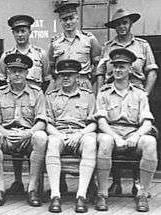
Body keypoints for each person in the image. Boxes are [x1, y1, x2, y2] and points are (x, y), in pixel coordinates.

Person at [96, 8, 159, 195]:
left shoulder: (142, 45)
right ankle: (115, 181)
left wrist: (145, 94)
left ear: (131, 24)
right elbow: (100, 72)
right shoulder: (108, 46)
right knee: (111, 133)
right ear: (114, 27)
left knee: (140, 135)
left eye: (124, 23)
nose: (121, 27)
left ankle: (138, 182)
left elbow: (152, 71)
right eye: (118, 24)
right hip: (111, 95)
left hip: (136, 95)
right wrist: (101, 91)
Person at [0, 14, 51, 195]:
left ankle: (33, 185)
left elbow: (47, 79)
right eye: (17, 31)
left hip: (34, 99)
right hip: (12, 99)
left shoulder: (40, 54)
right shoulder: (6, 56)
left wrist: (37, 95)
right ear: (13, 33)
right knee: (13, 138)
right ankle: (18, 181)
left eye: (23, 31)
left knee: (34, 138)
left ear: (29, 32)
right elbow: (2, 80)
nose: (20, 35)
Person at [0, 53, 47, 207]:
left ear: (27, 73)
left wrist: (28, 133)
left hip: (28, 137)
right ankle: (0, 188)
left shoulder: (37, 93)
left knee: (40, 137)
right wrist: (4, 133)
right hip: (6, 136)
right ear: (8, 73)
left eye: (21, 71)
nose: (17, 74)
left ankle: (32, 188)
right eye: (13, 71)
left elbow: (41, 121)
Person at [45, 59, 97, 213]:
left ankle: (81, 195)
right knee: (52, 142)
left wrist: (80, 134)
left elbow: (94, 123)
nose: (65, 78)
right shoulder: (51, 96)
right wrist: (59, 135)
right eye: (62, 75)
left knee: (91, 141)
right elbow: (46, 122)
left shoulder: (88, 96)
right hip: (59, 133)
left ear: (77, 77)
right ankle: (55, 195)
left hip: (80, 134)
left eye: (70, 75)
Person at [48, 2, 101, 93]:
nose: (68, 22)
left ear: (77, 18)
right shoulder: (55, 42)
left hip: (83, 83)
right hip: (62, 84)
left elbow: (98, 65)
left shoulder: (89, 39)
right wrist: (60, 79)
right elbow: (51, 67)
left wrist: (87, 81)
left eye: (71, 18)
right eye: (64, 19)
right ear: (60, 21)